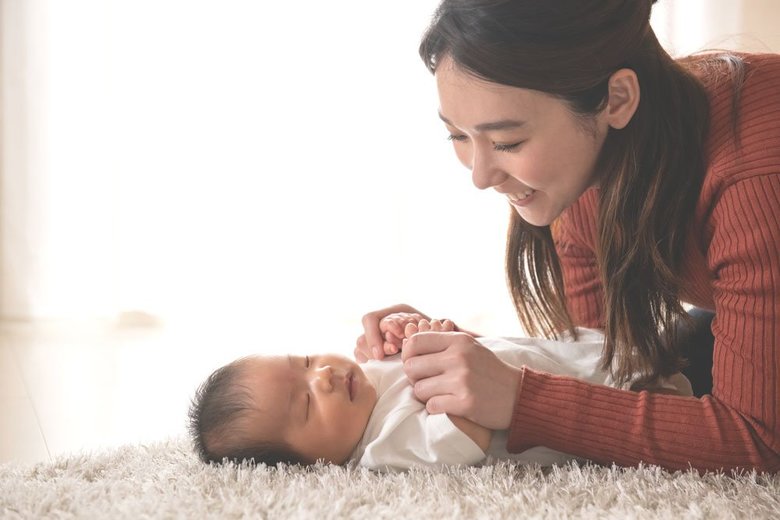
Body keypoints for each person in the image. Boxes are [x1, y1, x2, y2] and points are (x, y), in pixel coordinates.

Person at [355, 0, 780, 473]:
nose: (480, 175)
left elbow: (759, 440)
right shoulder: (584, 176)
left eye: (507, 142)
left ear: (616, 100)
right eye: (457, 136)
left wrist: (519, 398)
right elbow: (605, 370)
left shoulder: (756, 176)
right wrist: (463, 359)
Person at [188, 314, 691, 471]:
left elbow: (466, 353)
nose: (321, 376)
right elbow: (464, 426)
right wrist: (437, 367)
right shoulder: (386, 447)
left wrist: (420, 330)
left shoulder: (368, 376)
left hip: (590, 353)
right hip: (613, 405)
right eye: (306, 404)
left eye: (303, 362)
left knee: (686, 332)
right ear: (313, 466)